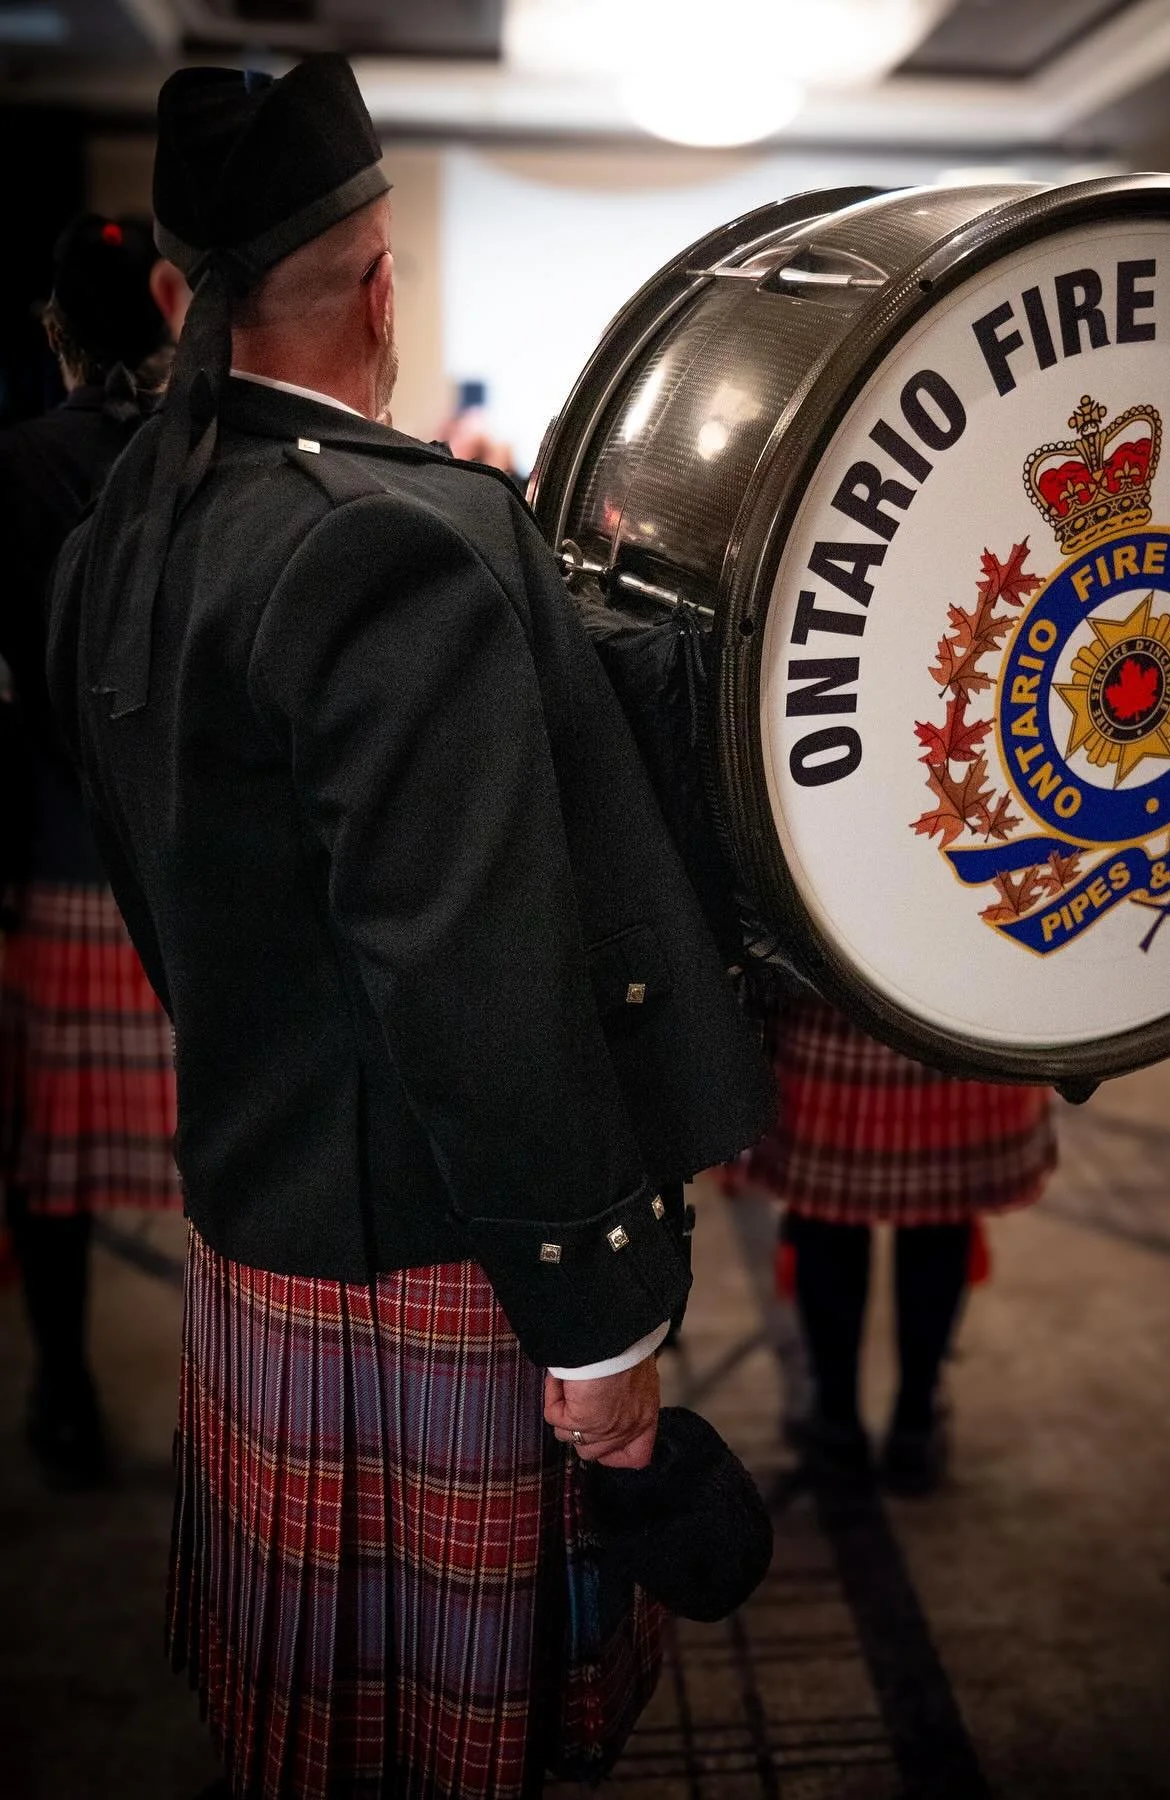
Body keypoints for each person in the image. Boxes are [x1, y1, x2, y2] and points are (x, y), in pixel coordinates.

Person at [45, 56, 773, 1800]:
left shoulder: (121, 536)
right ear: (382, 286)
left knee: (318, 1740)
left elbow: (172, 911)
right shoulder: (401, 544)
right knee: (452, 1751)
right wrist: (599, 1336)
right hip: (444, 1267)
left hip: (264, 1236)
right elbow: (484, 980)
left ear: (172, 294)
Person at [0, 213, 188, 1484]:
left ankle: (65, 1390)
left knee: (50, 1161)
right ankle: (234, 1398)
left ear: (55, 332)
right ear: (172, 308)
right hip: (196, 881)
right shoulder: (212, 454)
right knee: (229, 1157)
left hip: (62, 855)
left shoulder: (14, 466)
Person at [721, 977, 1055, 1494]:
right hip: (958, 1006)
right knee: (942, 1202)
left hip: (834, 989)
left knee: (826, 1208)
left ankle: (837, 1429)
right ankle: (914, 1428)